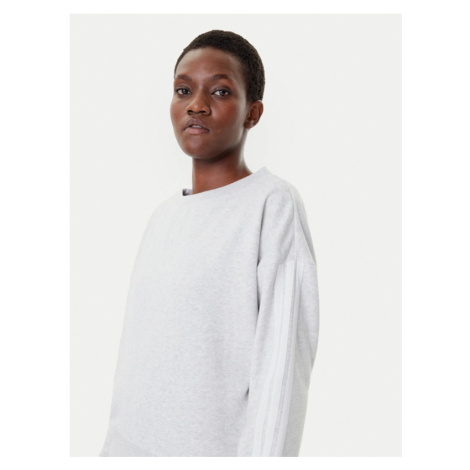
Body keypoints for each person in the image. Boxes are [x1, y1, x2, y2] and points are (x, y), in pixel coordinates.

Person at [99, 29, 320, 457]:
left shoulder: (272, 204)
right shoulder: (163, 217)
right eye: (183, 90)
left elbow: (282, 369)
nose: (196, 105)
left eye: (219, 91)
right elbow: (136, 366)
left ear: (252, 113)